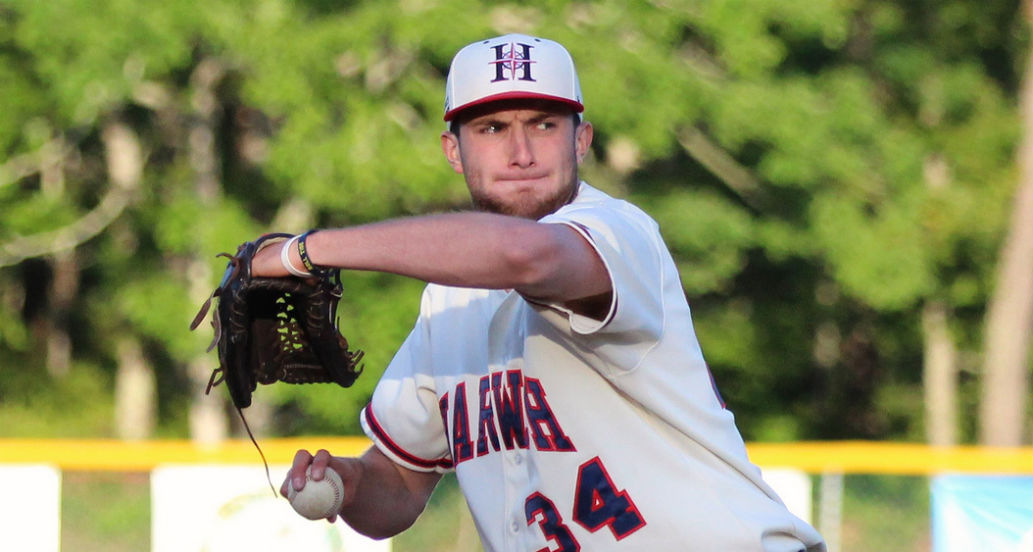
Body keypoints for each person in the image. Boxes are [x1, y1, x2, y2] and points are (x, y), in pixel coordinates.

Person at [252, 33, 826, 551]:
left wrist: (306, 251)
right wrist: (348, 484)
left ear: (583, 140)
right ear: (453, 150)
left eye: (544, 124)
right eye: (492, 128)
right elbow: (400, 484)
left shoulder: (617, 235)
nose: (521, 152)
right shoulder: (449, 299)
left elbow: (524, 254)